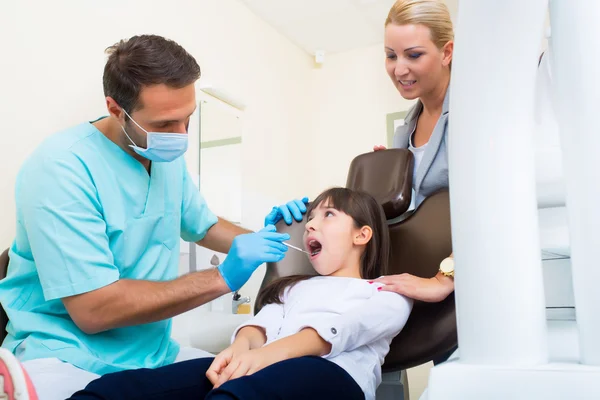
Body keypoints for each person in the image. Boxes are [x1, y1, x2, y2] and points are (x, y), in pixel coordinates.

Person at [0, 34, 306, 400]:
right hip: (67, 357)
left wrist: (268, 237)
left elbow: (203, 224)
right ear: (116, 109)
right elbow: (93, 309)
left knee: (250, 387)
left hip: (154, 355)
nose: (181, 137)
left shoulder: (164, 159)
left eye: (187, 120)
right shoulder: (60, 169)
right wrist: (221, 277)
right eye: (164, 125)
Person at [61, 187, 413, 400]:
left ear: (361, 235)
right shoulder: (295, 287)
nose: (309, 225)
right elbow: (261, 327)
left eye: (328, 214)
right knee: (130, 389)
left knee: (236, 394)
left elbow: (335, 335)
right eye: (309, 217)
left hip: (334, 376)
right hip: (264, 369)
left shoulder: (386, 291)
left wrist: (263, 358)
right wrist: (238, 351)